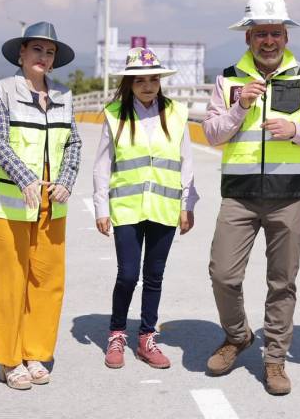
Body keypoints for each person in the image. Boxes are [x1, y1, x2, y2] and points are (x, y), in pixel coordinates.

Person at [202, 0, 300, 395]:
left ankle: (275, 358)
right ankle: (238, 336)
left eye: (276, 33)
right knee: (223, 274)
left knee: (282, 281)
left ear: (286, 36)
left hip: (291, 196)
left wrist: (297, 130)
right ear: (248, 37)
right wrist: (239, 107)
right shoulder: (228, 78)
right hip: (239, 195)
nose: (269, 41)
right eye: (261, 33)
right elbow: (212, 134)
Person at [0, 22, 82, 390]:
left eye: (49, 52)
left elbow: (73, 143)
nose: (44, 56)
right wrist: (25, 179)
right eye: (37, 49)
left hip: (51, 206)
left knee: (47, 281)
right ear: (21, 54)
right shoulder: (1, 92)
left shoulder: (64, 96)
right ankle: (9, 360)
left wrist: (66, 180)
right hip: (6, 206)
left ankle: (35, 352)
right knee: (8, 283)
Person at [93, 47, 198, 370]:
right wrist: (100, 206)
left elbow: (186, 161)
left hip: (164, 207)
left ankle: (147, 337)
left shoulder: (176, 113)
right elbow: (102, 164)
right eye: (140, 81)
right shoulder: (115, 114)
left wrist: (187, 204)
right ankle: (117, 334)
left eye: (153, 79)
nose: (148, 86)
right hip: (127, 207)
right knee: (128, 274)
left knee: (154, 275)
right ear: (129, 83)